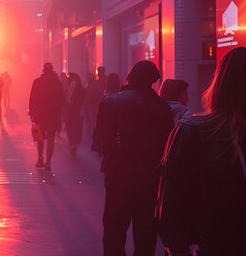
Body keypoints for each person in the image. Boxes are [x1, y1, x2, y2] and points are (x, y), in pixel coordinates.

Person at [157, 47, 246, 256]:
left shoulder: (194, 130)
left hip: (217, 242)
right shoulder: (192, 128)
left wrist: (178, 248)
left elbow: (173, 201)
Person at [93, 60, 173, 256]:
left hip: (117, 178)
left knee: (113, 233)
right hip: (148, 182)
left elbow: (100, 140)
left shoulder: (110, 101)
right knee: (145, 237)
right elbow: (167, 147)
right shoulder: (162, 107)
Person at [28, 62, 65, 171]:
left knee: (40, 138)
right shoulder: (57, 83)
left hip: (40, 115)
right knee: (50, 139)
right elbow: (62, 100)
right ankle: (48, 162)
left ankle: (40, 158)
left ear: (43, 71)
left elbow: (32, 99)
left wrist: (32, 113)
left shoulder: (37, 82)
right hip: (53, 115)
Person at [64, 72, 86, 156]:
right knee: (75, 129)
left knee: (72, 129)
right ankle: (73, 144)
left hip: (73, 112)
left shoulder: (72, 90)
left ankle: (72, 144)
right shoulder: (80, 90)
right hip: (76, 113)